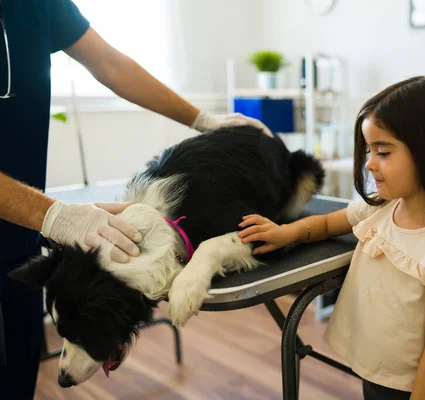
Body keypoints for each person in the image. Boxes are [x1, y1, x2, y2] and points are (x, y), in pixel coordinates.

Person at [0, 0, 272, 398]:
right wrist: (52, 214)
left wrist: (203, 120)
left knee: (16, 379)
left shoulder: (38, 5)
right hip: (34, 221)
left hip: (20, 247)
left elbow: (110, 64)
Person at [238, 74, 425, 400]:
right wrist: (287, 233)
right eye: (369, 151)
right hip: (376, 371)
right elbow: (327, 223)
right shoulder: (381, 210)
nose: (369, 164)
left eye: (383, 152)